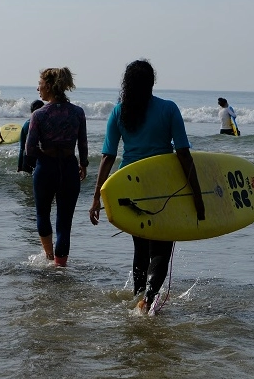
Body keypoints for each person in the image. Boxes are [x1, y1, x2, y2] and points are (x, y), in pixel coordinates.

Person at [89, 59, 205, 314]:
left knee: (140, 248)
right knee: (161, 247)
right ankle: (148, 300)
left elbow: (108, 156)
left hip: (130, 187)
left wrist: (97, 197)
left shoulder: (119, 112)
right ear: (152, 82)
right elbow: (184, 154)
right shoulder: (169, 109)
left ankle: (139, 298)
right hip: (163, 186)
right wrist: (198, 195)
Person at [24, 68, 88, 267]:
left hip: (46, 167)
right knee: (65, 222)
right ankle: (60, 265)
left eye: (40, 84)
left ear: (49, 86)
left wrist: (42, 156)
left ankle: (49, 256)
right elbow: (83, 145)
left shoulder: (39, 115)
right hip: (69, 167)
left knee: (43, 214)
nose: (38, 88)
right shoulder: (77, 112)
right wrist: (83, 165)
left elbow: (29, 149)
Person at [18, 99, 45, 173]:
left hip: (27, 157)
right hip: (40, 158)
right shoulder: (45, 124)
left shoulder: (26, 124)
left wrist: (19, 166)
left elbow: (22, 148)